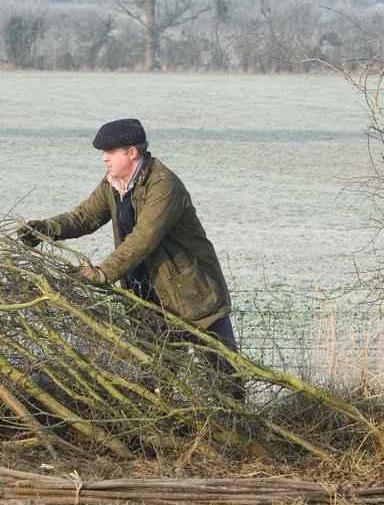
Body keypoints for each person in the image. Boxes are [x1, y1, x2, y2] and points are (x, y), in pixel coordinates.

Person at [19, 118, 242, 396]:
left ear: (132, 152)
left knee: (225, 382)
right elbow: (84, 217)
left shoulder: (164, 185)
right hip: (148, 301)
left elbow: (143, 239)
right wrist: (44, 229)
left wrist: (102, 273)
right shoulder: (114, 184)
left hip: (193, 297)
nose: (104, 158)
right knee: (156, 384)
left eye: (111, 152)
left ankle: (238, 433)